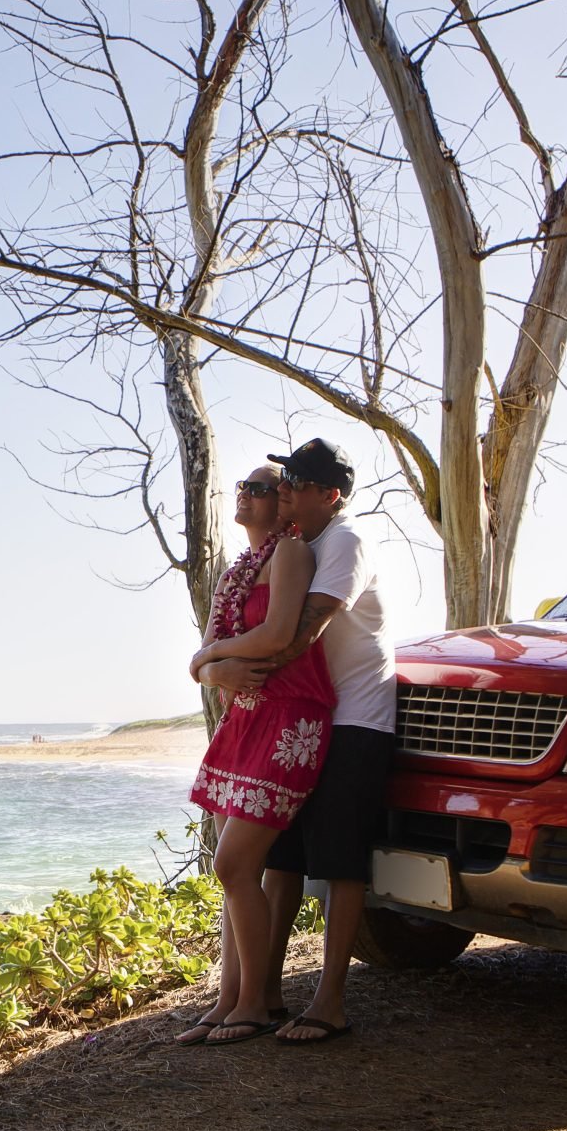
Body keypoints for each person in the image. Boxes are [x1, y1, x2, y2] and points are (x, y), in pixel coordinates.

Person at [198, 437, 392, 1045]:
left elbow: (297, 636)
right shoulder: (293, 545)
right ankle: (259, 996)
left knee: (338, 860)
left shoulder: (341, 542)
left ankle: (328, 1002)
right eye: (276, 483)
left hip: (353, 716)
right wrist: (215, 670)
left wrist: (212, 663)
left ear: (328, 495)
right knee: (278, 860)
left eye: (293, 483)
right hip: (293, 713)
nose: (283, 491)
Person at [176, 465, 336, 1046]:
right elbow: (207, 660)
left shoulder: (291, 554)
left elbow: (276, 636)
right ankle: (230, 999)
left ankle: (254, 1003)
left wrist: (209, 658)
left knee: (233, 864)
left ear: (283, 503)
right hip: (243, 718)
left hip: (289, 717)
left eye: (260, 489)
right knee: (236, 874)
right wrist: (210, 667)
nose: (245, 495)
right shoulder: (235, 572)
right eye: (242, 487)